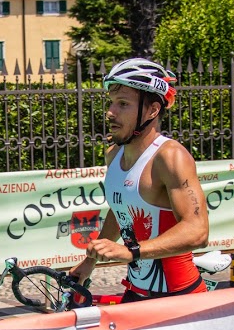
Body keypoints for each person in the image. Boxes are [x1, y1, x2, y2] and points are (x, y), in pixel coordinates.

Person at [70, 58, 209, 303]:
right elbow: (122, 210)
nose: (110, 112)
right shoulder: (114, 154)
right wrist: (89, 262)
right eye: (112, 103)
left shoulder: (170, 157)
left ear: (152, 110)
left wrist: (130, 251)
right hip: (136, 292)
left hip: (180, 297)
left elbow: (197, 232)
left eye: (123, 104)